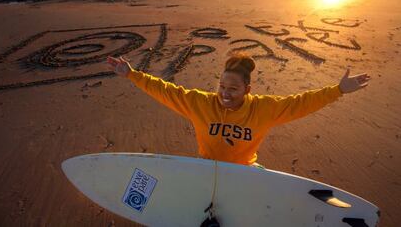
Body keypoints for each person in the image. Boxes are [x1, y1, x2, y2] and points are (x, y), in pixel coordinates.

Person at [106, 53, 370, 167]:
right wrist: (132, 75)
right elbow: (167, 91)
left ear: (247, 89)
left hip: (245, 171)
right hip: (206, 167)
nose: (224, 93)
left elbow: (301, 102)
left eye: (232, 88)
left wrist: (338, 90)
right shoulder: (201, 103)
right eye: (221, 86)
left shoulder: (265, 109)